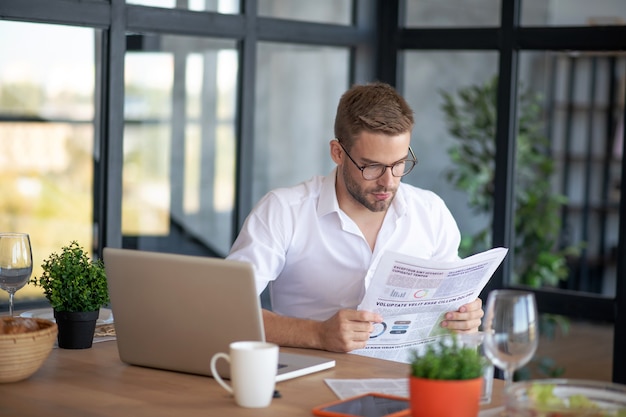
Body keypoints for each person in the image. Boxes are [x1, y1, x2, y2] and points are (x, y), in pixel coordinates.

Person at [227, 81, 483, 353]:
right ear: (338, 152)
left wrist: (464, 318)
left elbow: (451, 304)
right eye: (372, 166)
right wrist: (317, 334)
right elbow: (227, 311)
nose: (388, 182)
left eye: (399, 165)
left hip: (409, 385)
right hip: (313, 387)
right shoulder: (283, 211)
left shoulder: (430, 212)